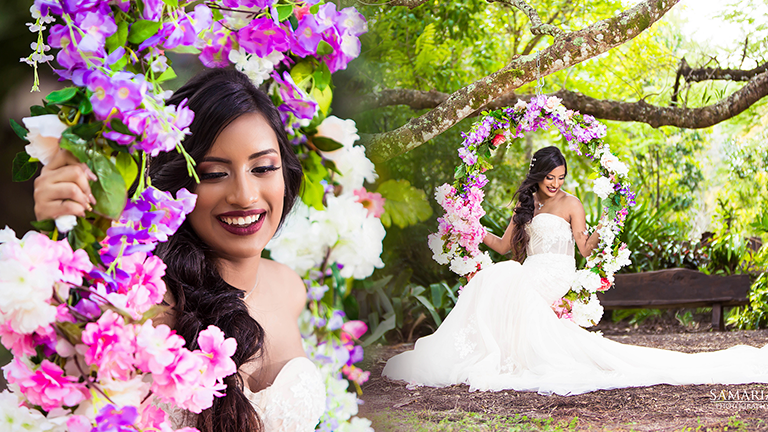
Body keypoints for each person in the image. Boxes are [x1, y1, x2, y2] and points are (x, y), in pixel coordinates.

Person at [32, 69, 325, 432]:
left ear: (286, 174)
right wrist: (58, 226)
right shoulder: (138, 303)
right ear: (178, 184)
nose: (246, 196)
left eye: (263, 167)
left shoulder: (291, 288)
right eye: (215, 174)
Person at [382, 145, 768, 396]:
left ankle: (509, 354)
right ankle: (496, 353)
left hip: (557, 270)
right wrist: (469, 225)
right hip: (531, 267)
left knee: (511, 279)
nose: (555, 184)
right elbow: (502, 247)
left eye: (560, 178)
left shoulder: (572, 203)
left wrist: (603, 230)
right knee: (499, 274)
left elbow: (582, 247)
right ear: (537, 176)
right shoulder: (526, 205)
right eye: (549, 178)